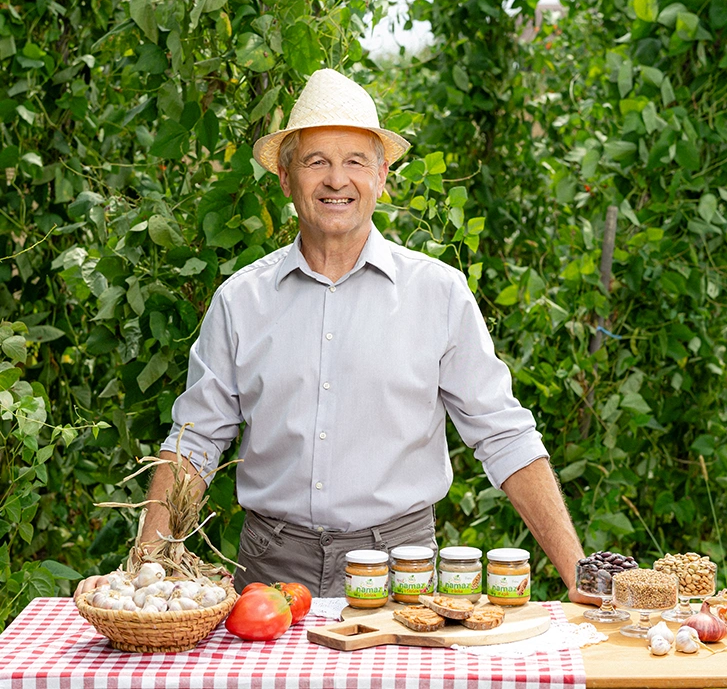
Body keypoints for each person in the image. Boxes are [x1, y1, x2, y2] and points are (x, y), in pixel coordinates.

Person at [76, 69, 594, 604]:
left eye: (355, 162)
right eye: (316, 162)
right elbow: (195, 442)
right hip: (269, 567)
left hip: (402, 570)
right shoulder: (240, 300)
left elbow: (503, 435)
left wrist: (578, 572)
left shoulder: (438, 294)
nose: (336, 180)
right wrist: (143, 571)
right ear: (285, 178)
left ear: (382, 176)